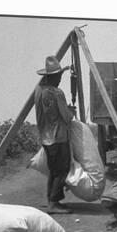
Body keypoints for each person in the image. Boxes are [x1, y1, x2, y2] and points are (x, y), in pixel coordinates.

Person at [34, 56, 75, 214]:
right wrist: (71, 112)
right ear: (52, 77)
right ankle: (53, 204)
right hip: (58, 137)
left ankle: (52, 199)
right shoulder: (57, 93)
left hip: (45, 137)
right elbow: (66, 117)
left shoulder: (39, 91)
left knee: (53, 170)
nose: (59, 79)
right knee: (62, 170)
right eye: (58, 76)